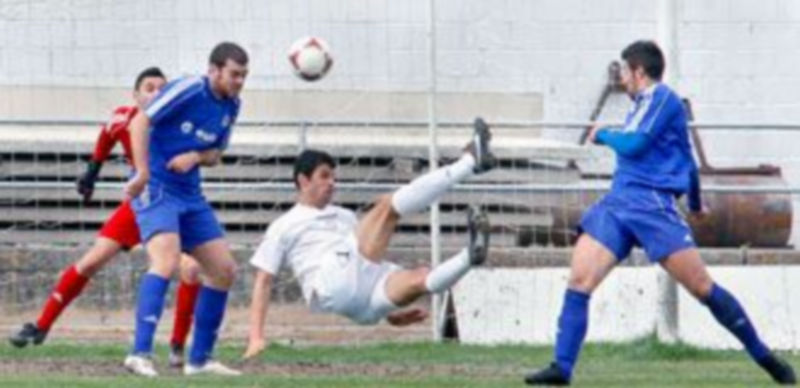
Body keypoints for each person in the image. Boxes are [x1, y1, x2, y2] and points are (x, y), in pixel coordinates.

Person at [524, 40, 796, 386]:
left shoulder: (662, 98)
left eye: (624, 70)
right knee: (579, 281)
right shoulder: (642, 106)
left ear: (639, 71)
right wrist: (697, 204)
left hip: (653, 206)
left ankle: (767, 359)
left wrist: (603, 135)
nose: (621, 78)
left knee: (702, 288)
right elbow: (688, 162)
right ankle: (561, 369)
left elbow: (635, 145)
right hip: (620, 202)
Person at [243, 119, 494, 359]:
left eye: (333, 177)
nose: (332, 183)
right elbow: (263, 280)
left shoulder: (345, 217)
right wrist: (256, 338)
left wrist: (390, 314)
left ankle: (470, 256)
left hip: (362, 306)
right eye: (324, 176)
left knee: (420, 278)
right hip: (328, 283)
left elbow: (363, 264)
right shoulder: (284, 225)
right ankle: (470, 161)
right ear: (303, 180)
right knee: (386, 206)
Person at [9, 67, 202, 368]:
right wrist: (92, 171)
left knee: (190, 269)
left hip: (169, 203)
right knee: (91, 261)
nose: (154, 93)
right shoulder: (125, 118)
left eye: (160, 88)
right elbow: (106, 136)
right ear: (135, 95)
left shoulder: (177, 121)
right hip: (139, 203)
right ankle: (42, 324)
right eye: (148, 87)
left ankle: (177, 347)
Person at [122, 42, 248, 377]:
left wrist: (195, 156)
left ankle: (199, 360)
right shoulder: (189, 88)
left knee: (224, 270)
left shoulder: (232, 106)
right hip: (157, 187)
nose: (239, 82)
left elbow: (215, 154)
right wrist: (142, 172)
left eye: (244, 76)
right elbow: (138, 122)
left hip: (190, 193)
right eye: (234, 74)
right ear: (214, 70)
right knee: (165, 260)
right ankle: (139, 353)